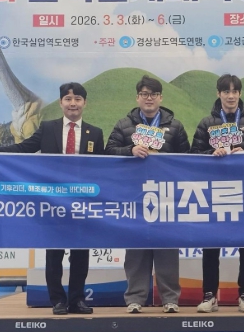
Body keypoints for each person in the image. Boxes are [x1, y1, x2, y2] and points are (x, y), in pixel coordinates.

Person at [0, 82, 106, 316]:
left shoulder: (95, 133)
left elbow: (102, 167)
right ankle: (58, 301)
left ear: (85, 103)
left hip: (81, 203)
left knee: (80, 254)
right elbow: (24, 148)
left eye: (77, 99)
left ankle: (77, 300)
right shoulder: (47, 128)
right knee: (54, 254)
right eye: (68, 99)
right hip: (53, 202)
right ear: (61, 103)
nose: (73, 103)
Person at [105, 75, 190, 314]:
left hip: (166, 197)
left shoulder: (175, 126)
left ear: (160, 98)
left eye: (153, 94)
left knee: (167, 250)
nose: (149, 98)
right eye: (144, 94)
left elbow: (188, 158)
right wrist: (130, 150)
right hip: (134, 197)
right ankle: (135, 298)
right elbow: (108, 151)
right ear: (137, 98)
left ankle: (170, 299)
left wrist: (166, 160)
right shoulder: (124, 125)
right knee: (136, 251)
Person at [190, 74, 244, 313]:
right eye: (226, 91)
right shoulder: (207, 123)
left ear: (240, 94)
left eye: (235, 91)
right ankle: (209, 295)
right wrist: (211, 154)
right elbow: (193, 155)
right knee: (210, 245)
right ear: (218, 94)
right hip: (214, 193)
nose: (231, 96)